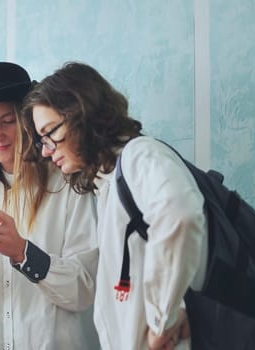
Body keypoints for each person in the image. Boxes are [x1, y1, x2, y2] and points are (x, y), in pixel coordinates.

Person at [21, 61, 207, 350]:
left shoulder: (139, 156)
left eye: (50, 133)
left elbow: (180, 216)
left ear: (82, 114)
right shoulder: (109, 183)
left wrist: (162, 322)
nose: (45, 151)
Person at [0, 62, 100, 350]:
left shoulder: (69, 184)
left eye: (7, 121)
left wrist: (25, 254)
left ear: (28, 119)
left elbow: (84, 289)